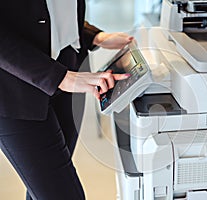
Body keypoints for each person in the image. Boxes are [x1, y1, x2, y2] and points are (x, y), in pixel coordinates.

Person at [0, 0, 133, 199]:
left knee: (46, 187)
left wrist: (93, 35)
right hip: (15, 90)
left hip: (68, 70)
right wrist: (60, 77)